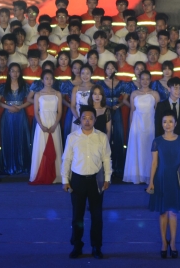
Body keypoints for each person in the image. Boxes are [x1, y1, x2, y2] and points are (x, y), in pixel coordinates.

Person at [62, 106, 112, 260]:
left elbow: (106, 158)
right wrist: (65, 180)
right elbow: (67, 160)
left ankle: (96, 247)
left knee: (97, 216)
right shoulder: (72, 137)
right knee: (77, 216)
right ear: (80, 120)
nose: (87, 121)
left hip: (96, 180)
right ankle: (77, 246)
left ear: (95, 120)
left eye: (90, 118)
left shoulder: (102, 137)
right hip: (77, 181)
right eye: (84, 118)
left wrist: (107, 178)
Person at [147, 112, 180, 259]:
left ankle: (173, 243)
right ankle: (164, 243)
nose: (168, 124)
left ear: (175, 124)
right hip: (161, 178)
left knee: (174, 212)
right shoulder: (157, 141)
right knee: (163, 212)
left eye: (171, 121)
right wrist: (151, 181)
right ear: (162, 124)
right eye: (165, 121)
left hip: (175, 178)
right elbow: (154, 163)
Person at [123, 71, 160, 184]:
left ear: (150, 80)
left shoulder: (155, 94)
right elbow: (132, 111)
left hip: (150, 122)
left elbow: (158, 111)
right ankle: (137, 175)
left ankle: (149, 175)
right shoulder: (134, 93)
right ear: (139, 80)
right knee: (137, 147)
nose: (145, 81)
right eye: (142, 79)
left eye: (147, 79)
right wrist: (131, 126)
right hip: (137, 123)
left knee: (149, 148)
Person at [29, 70, 63, 184]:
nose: (49, 81)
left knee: (55, 147)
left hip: (54, 122)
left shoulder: (57, 94)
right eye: (46, 78)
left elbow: (59, 112)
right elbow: (36, 112)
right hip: (42, 122)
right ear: (42, 80)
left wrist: (55, 124)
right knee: (41, 147)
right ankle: (40, 173)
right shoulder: (38, 94)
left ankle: (56, 175)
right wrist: (41, 125)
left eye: (51, 78)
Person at [0, 63, 32, 175]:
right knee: (8, 138)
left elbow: (30, 100)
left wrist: (19, 107)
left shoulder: (25, 86)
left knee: (21, 137)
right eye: (13, 71)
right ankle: (8, 165)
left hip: (20, 114)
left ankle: (21, 164)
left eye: (17, 71)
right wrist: (9, 107)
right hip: (7, 115)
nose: (15, 73)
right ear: (9, 72)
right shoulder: (3, 86)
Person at [154, 76, 180, 150]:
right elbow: (158, 126)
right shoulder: (161, 105)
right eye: (175, 88)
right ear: (169, 89)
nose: (178, 91)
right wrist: (157, 146)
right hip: (165, 142)